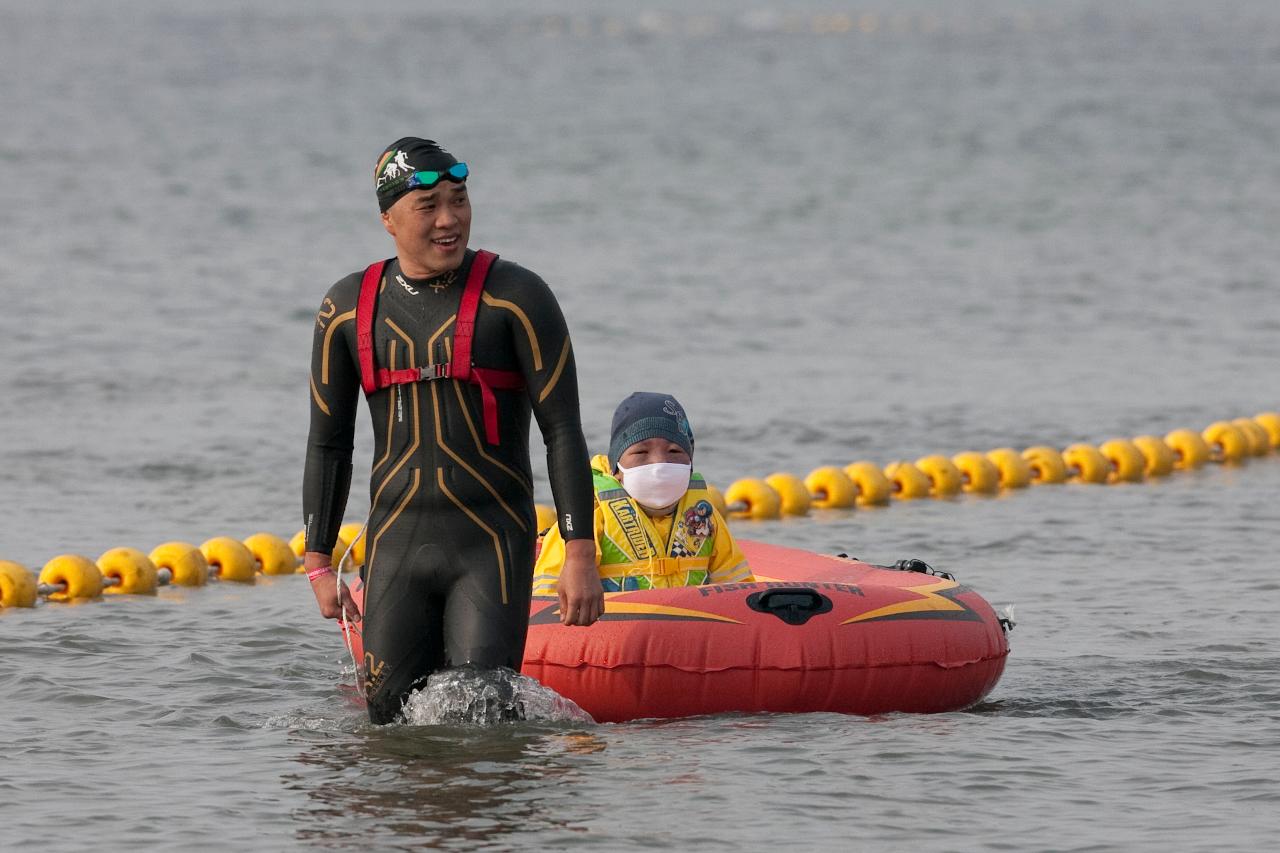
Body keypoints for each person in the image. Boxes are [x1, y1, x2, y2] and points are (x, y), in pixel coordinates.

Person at [303, 137, 603, 724]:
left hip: (488, 545)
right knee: (386, 729)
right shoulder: (345, 309)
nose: (449, 220)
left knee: (482, 720)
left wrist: (580, 552)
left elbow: (562, 430)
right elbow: (328, 442)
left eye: (459, 200)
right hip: (395, 546)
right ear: (388, 219)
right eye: (428, 206)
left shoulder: (516, 297)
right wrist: (318, 562)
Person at [533, 392, 752, 595]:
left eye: (674, 451)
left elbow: (741, 591)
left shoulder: (705, 517)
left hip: (689, 630)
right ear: (615, 469)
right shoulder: (589, 514)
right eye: (641, 452)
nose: (659, 464)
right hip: (612, 632)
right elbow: (547, 596)